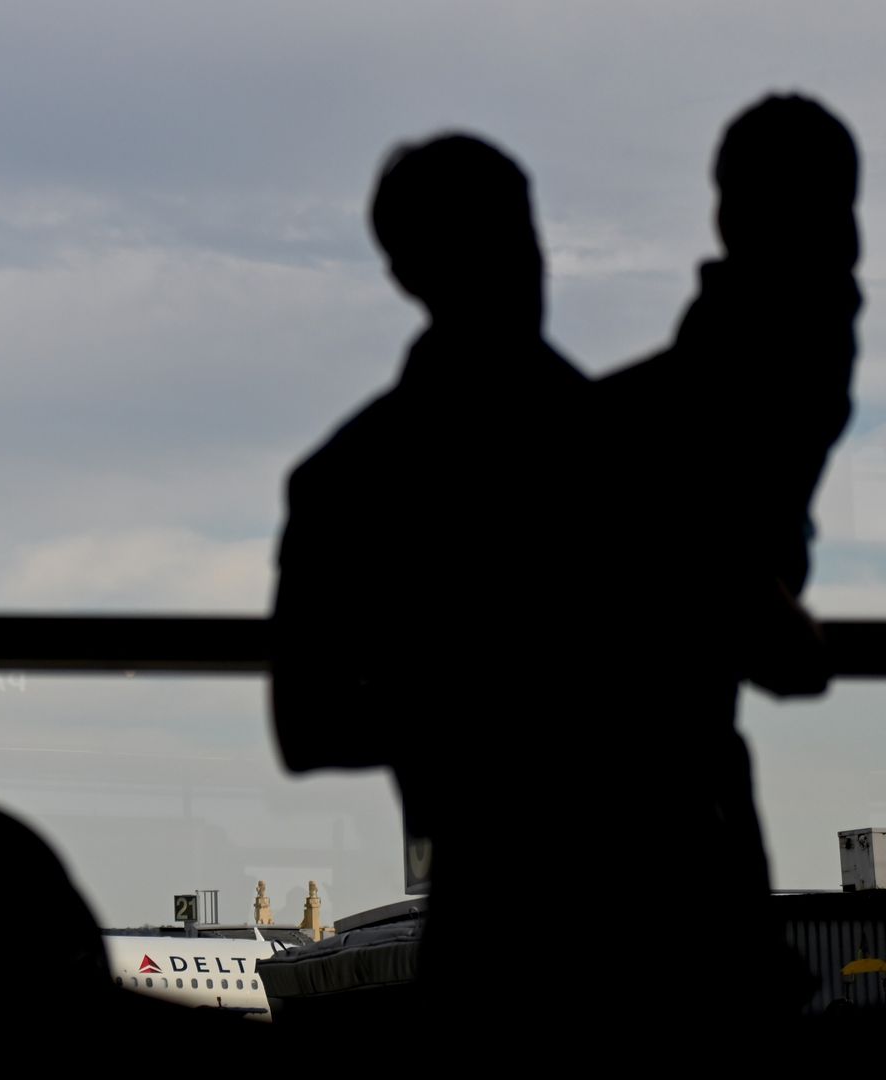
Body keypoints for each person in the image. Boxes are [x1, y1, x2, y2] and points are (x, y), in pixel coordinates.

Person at [269, 132, 600, 1033]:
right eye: (511, 241)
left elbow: (306, 725)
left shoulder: (342, 483)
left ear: (405, 275)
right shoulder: (632, 451)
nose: (530, 266)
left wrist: (455, 712)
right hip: (678, 917)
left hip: (492, 918)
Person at [595, 92, 862, 1020]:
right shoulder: (762, 380)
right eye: (833, 217)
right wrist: (768, 610)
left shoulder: (683, 396)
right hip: (651, 835)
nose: (855, 257)